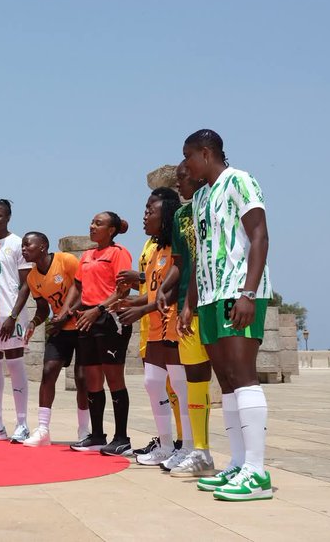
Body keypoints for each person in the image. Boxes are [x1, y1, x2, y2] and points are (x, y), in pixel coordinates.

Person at [179, 129, 274, 501]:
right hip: (209, 295)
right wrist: (191, 302)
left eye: (188, 156)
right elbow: (200, 254)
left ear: (206, 153)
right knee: (228, 382)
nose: (185, 165)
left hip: (238, 291)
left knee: (244, 376)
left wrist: (248, 293)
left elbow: (259, 236)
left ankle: (257, 471)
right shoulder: (201, 196)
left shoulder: (241, 180)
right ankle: (237, 462)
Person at [116, 188, 192, 470]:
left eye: (151, 210)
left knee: (180, 388)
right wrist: (129, 303)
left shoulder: (175, 246)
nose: (145, 215)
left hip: (173, 323)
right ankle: (166, 444)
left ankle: (189, 446)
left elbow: (173, 290)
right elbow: (152, 291)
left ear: (166, 215)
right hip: (154, 327)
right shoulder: (156, 248)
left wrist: (141, 309)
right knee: (152, 384)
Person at [159, 162, 216, 478]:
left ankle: (241, 459)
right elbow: (182, 262)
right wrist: (166, 287)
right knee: (194, 378)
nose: (178, 183)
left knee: (230, 379)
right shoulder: (182, 215)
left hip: (215, 299)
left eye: (183, 177)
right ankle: (201, 451)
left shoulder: (216, 201)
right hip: (186, 307)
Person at [16, 232, 85, 448]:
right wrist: (33, 323)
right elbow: (43, 309)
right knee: (48, 372)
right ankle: (43, 430)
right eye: (22, 246)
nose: (24, 249)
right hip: (60, 329)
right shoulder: (33, 277)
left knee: (82, 379)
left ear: (43, 246)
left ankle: (84, 430)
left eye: (28, 245)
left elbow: (85, 291)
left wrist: (67, 313)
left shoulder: (66, 260)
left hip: (82, 326)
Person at [75, 212, 134, 456]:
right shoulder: (87, 255)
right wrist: (76, 309)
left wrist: (98, 309)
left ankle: (122, 438)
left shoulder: (118, 253)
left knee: (114, 378)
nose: (92, 226)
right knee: (92, 379)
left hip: (110, 319)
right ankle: (97, 435)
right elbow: (79, 286)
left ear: (111, 230)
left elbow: (123, 289)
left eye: (98, 223)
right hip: (87, 319)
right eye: (92, 222)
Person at [0, 200, 32, 442]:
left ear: (8, 217)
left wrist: (12, 316)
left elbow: (25, 285)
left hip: (12, 315)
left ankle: (22, 423)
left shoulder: (18, 244)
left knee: (14, 364)